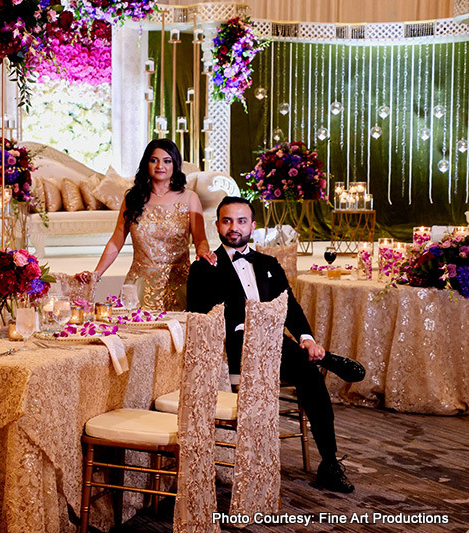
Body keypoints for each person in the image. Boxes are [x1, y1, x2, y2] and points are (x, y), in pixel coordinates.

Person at [187, 195, 366, 493]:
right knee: (302, 363)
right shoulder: (204, 267)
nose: (234, 227)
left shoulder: (270, 264)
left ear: (253, 226)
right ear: (217, 224)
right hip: (233, 347)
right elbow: (198, 317)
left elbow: (290, 308)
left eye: (242, 221)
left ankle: (329, 464)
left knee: (310, 377)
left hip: (274, 346)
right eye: (228, 220)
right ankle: (326, 359)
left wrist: (307, 339)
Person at [77, 139, 216, 311]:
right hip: (139, 285)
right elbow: (116, 241)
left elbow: (200, 239)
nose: (160, 166)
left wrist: (204, 255)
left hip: (180, 284)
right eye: (154, 160)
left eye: (167, 161)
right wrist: (96, 273)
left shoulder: (189, 198)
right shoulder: (133, 199)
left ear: (175, 164)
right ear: (146, 164)